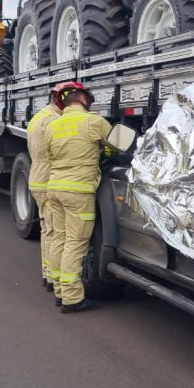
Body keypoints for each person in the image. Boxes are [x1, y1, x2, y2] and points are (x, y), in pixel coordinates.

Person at [44, 83, 113, 313]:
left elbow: (48, 154)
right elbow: (116, 144)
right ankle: (72, 299)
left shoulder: (53, 126)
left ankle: (59, 291)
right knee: (75, 242)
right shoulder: (93, 122)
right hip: (78, 191)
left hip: (54, 188)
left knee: (59, 239)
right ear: (83, 99)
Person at [27, 85, 64, 302]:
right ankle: (54, 279)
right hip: (49, 179)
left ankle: (47, 273)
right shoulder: (54, 122)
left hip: (37, 177)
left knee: (46, 229)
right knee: (55, 231)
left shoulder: (37, 118)